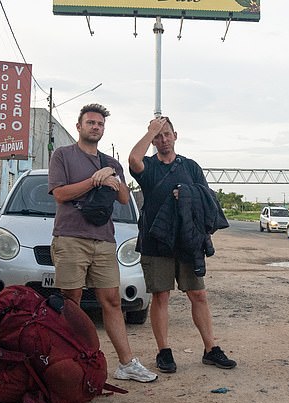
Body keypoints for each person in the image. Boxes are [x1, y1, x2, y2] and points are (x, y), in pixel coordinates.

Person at [48, 103, 157, 383]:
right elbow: (60, 194)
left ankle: (126, 364)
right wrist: (94, 181)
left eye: (100, 124)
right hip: (71, 237)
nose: (95, 127)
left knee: (111, 301)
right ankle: (72, 361)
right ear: (79, 126)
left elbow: (122, 198)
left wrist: (112, 177)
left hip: (103, 240)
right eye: (91, 123)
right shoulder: (62, 155)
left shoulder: (112, 163)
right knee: (71, 302)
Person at [128, 116, 237, 373]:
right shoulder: (150, 166)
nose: (163, 140)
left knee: (198, 294)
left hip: (187, 241)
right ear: (153, 140)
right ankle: (164, 352)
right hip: (156, 242)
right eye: (158, 136)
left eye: (166, 134)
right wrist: (149, 131)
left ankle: (211, 348)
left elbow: (208, 200)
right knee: (161, 296)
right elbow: (133, 160)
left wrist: (187, 194)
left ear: (176, 135)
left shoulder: (190, 167)